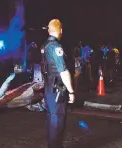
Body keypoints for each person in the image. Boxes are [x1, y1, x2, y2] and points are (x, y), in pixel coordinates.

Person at [40, 19, 75, 148]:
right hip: (57, 89)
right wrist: (71, 91)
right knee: (58, 121)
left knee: (51, 118)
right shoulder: (56, 47)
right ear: (60, 30)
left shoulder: (44, 46)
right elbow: (63, 71)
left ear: (49, 30)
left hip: (49, 87)